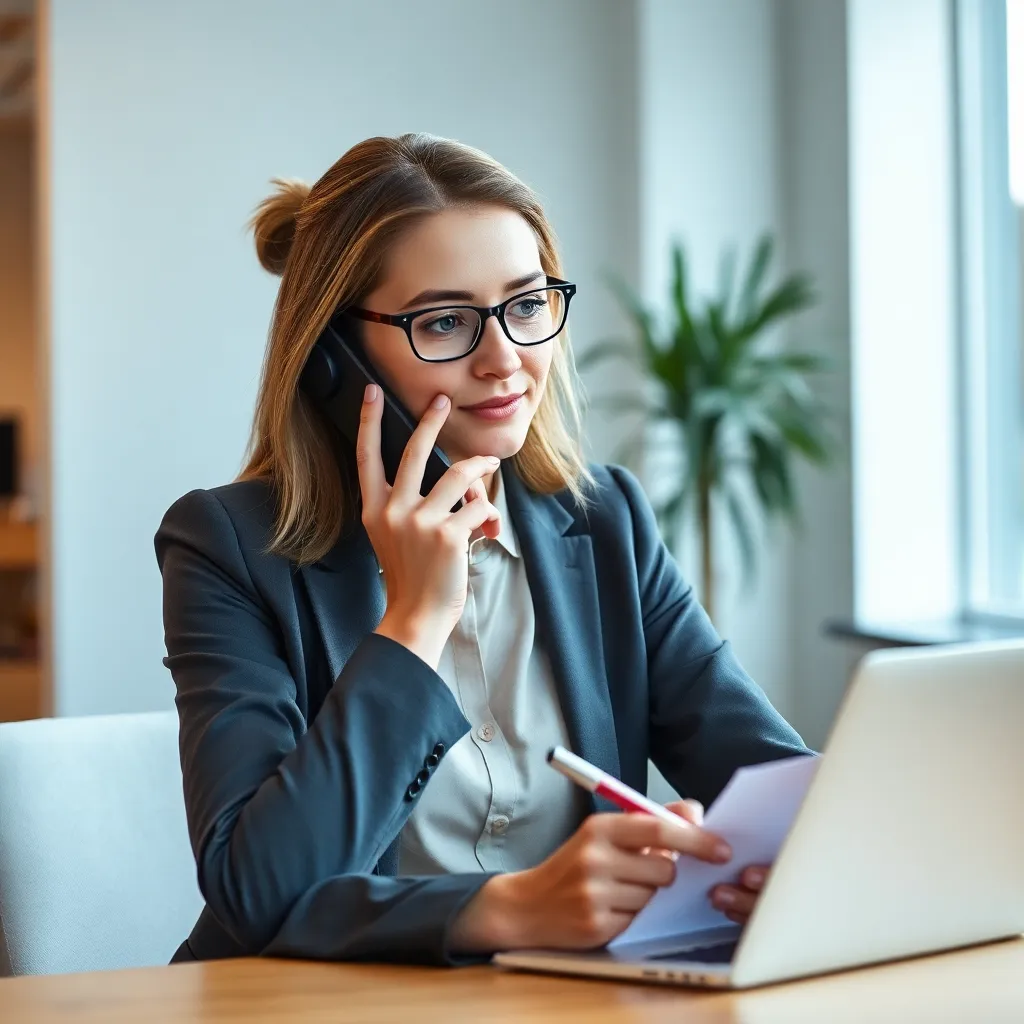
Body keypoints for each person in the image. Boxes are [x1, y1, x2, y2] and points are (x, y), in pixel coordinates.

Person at [155, 132, 807, 966]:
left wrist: (783, 860)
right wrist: (414, 620)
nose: (505, 361)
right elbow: (260, 890)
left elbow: (773, 782)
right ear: (334, 357)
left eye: (527, 306)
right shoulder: (230, 548)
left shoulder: (604, 520)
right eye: (445, 322)